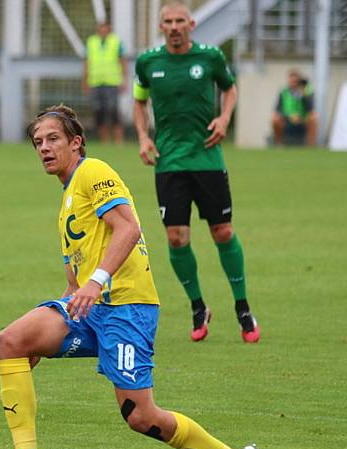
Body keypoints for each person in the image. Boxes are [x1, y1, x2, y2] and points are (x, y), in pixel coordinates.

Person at [0, 104, 265, 449]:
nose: (45, 148)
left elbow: (129, 229)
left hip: (127, 307)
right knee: (13, 341)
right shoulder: (67, 201)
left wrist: (96, 281)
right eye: (38, 142)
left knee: (140, 416)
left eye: (53, 139)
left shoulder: (93, 172)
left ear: (76, 143)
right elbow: (74, 285)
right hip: (88, 308)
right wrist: (43, 338)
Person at [132, 1, 260, 343]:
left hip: (207, 160)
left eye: (179, 21)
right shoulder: (148, 62)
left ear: (190, 23)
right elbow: (139, 99)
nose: (174, 26)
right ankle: (198, 306)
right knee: (176, 238)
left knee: (222, 231)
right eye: (168, 21)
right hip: (169, 162)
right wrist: (144, 137)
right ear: (161, 27)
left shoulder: (211, 57)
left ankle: (243, 307)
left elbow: (230, 88)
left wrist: (225, 117)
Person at [83, 21, 126, 144]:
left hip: (112, 81)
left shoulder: (116, 42)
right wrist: (85, 81)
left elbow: (123, 61)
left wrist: (123, 80)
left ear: (109, 29)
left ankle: (119, 140)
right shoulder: (91, 42)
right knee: (98, 111)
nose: (103, 30)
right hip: (95, 82)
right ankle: (104, 141)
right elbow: (86, 63)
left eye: (105, 28)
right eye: (101, 28)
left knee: (113, 110)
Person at [271, 69, 318, 146]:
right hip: (287, 119)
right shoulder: (283, 92)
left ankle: (311, 146)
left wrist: (304, 93)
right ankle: (278, 144)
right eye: (291, 81)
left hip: (302, 119)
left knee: (313, 118)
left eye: (295, 81)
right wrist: (289, 117)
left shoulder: (306, 91)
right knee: (275, 119)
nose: (293, 83)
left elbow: (310, 108)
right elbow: (278, 109)